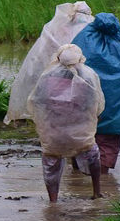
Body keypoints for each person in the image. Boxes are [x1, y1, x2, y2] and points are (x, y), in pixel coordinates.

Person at [70, 13, 120, 173]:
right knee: (107, 145)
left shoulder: (83, 38)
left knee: (80, 141)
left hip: (85, 111)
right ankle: (103, 184)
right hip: (115, 113)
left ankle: (77, 181)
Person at [28, 44, 104, 201]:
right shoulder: (88, 75)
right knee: (92, 154)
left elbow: (36, 102)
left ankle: (53, 201)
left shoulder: (47, 76)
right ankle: (97, 192)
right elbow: (96, 103)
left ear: (58, 58)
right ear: (80, 59)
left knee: (51, 163)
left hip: (54, 132)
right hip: (80, 131)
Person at [4, 1, 94, 124]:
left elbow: (41, 54)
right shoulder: (90, 29)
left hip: (58, 76)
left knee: (58, 104)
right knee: (72, 105)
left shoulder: (57, 27)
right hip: (76, 76)